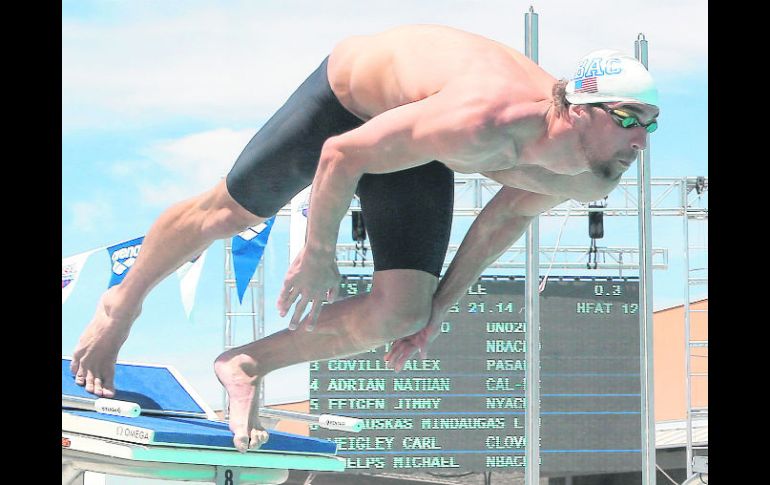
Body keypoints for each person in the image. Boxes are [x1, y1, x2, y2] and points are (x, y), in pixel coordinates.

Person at [69, 24, 659, 453]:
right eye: (629, 119)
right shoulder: (482, 119)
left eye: (650, 124)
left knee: (402, 313)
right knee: (228, 211)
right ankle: (122, 302)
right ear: (581, 108)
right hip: (350, 104)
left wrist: (437, 310)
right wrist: (318, 252)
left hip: (413, 139)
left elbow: (505, 219)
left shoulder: (587, 174)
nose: (641, 140)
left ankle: (246, 363)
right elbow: (341, 153)